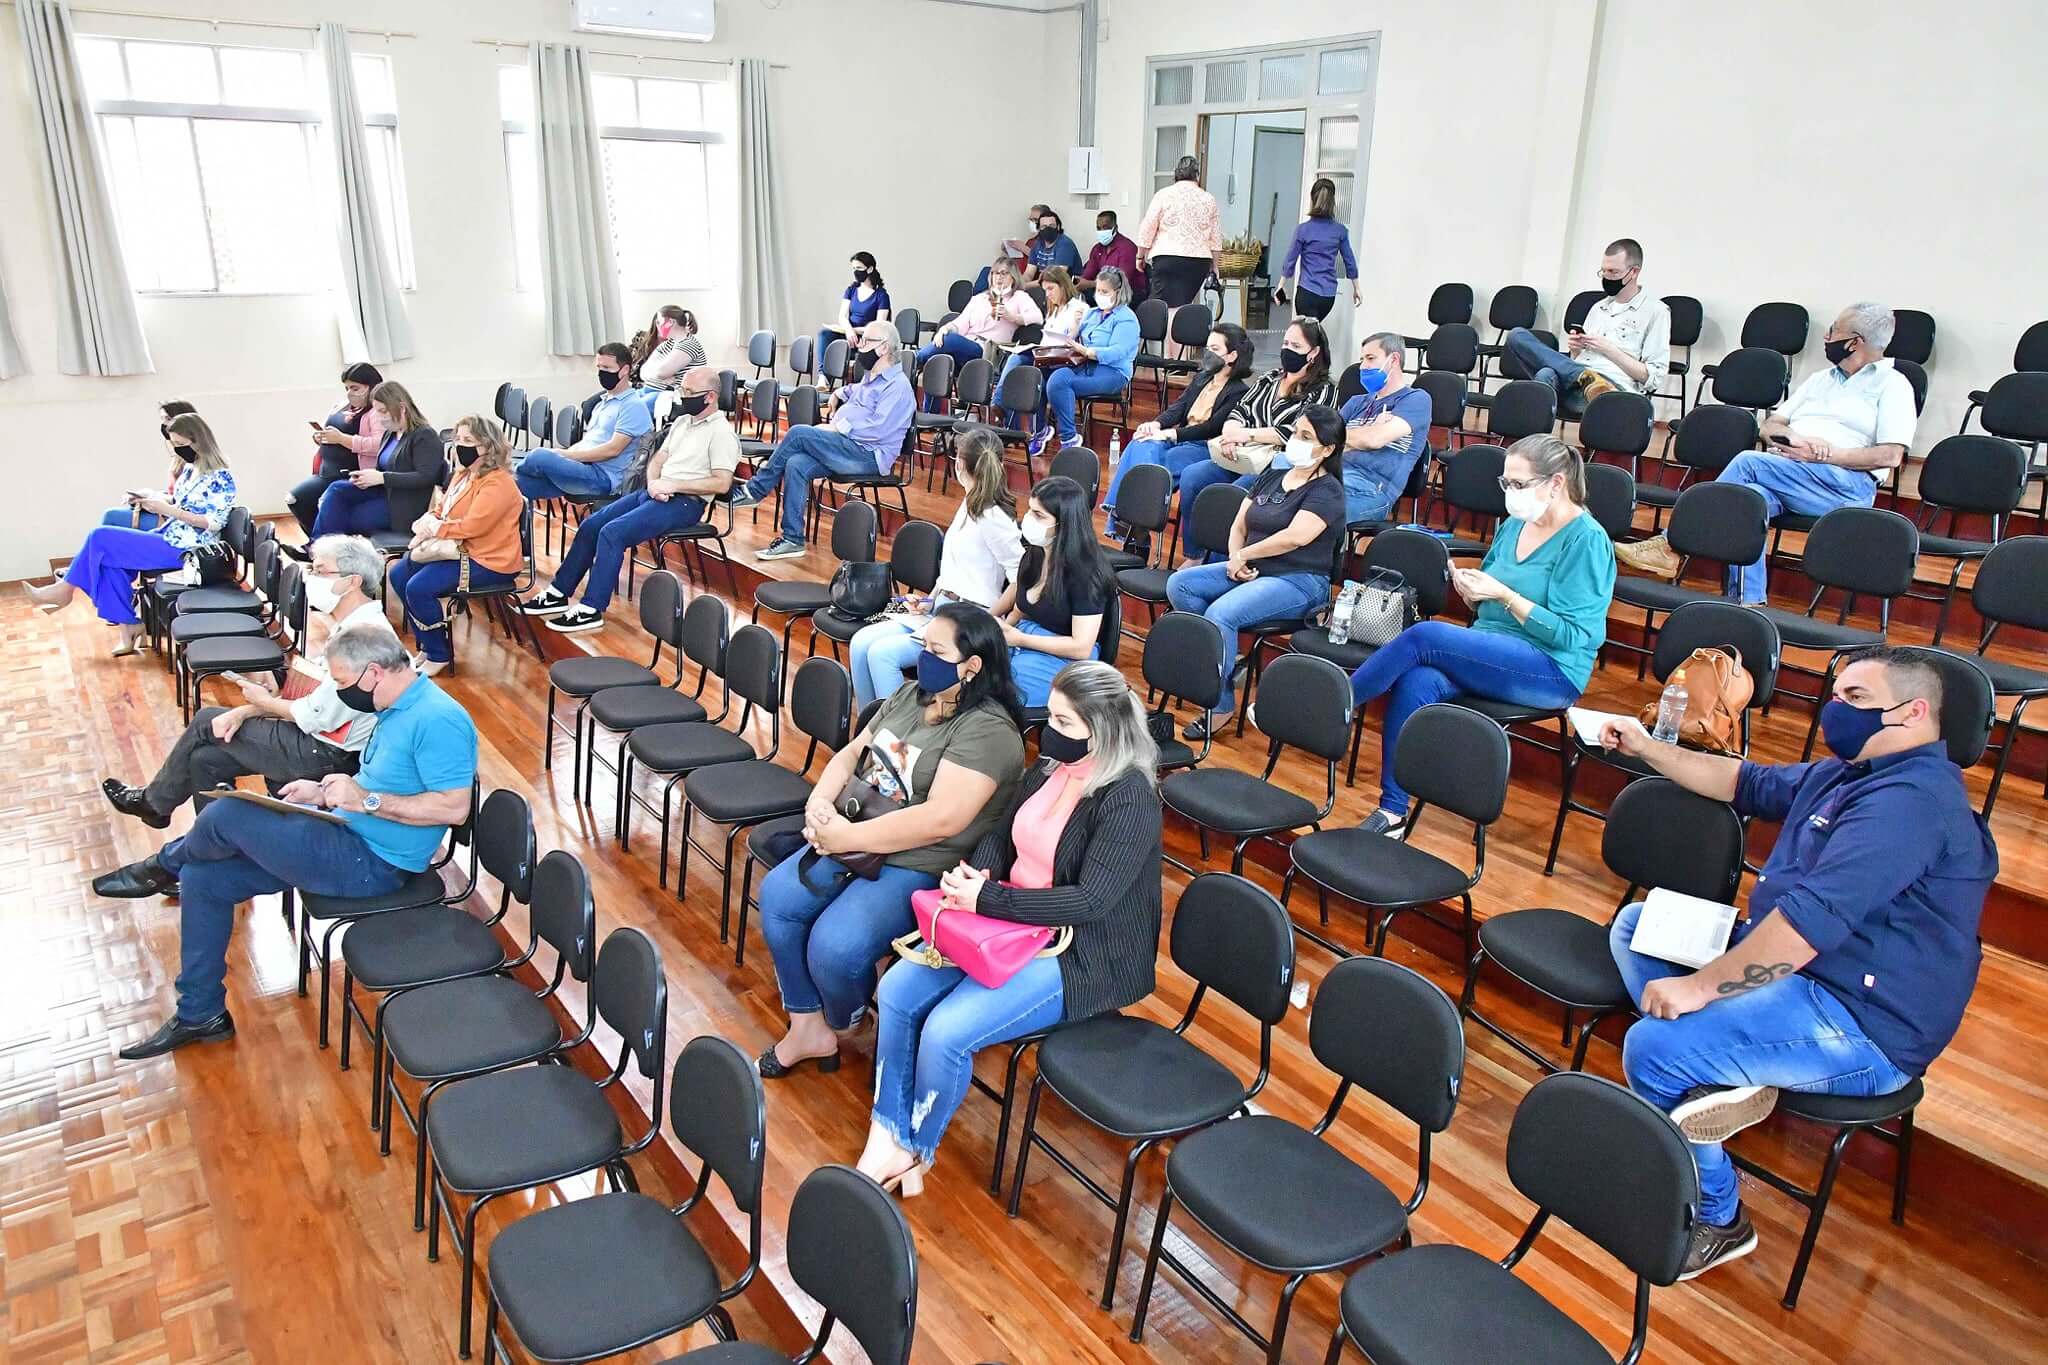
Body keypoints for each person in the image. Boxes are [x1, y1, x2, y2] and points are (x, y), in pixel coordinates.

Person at [1594, 646, 1996, 1280]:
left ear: (1914, 712)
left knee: (1654, 1050)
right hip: (1803, 971)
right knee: (1638, 925)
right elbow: (1743, 782)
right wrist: (1649, 748)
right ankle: (1718, 1078)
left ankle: (1719, 1218)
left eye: (1857, 698)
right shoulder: (1850, 772)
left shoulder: (1913, 804)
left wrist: (1700, 991)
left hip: (1864, 1021)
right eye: (1836, 695)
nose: (1837, 709)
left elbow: (1810, 923)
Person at [91, 625, 478, 1059]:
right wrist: (324, 791)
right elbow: (384, 781)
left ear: (374, 673)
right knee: (203, 878)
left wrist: (365, 800)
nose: (340, 692)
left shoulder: (438, 719)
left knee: (226, 814)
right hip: (343, 832)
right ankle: (200, 1013)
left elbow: (454, 808)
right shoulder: (392, 707)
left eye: (343, 682)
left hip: (375, 863)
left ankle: (160, 867)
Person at [859, 660, 1162, 1195]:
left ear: (1101, 732)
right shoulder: (1050, 766)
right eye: (1053, 716)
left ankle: (914, 1149)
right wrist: (978, 874)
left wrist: (988, 898)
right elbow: (1001, 835)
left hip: (1078, 953)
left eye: (1064, 722)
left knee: (947, 1033)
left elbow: (1090, 901)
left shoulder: (1129, 796)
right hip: (1004, 922)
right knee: (898, 991)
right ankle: (885, 1133)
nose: (1049, 730)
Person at [754, 604, 1027, 1078]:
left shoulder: (989, 731)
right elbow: (852, 754)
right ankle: (806, 1025)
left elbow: (940, 820)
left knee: (835, 948)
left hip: (921, 860)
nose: (923, 659)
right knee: (778, 897)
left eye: (936, 651)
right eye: (924, 646)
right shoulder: (909, 696)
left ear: (972, 666)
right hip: (859, 835)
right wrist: (819, 803)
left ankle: (845, 1020)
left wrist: (844, 836)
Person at [1345, 435, 1615, 834]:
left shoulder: (1586, 540)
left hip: (1551, 668)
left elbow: (1572, 635)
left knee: (1425, 636)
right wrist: (1473, 594)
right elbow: (1488, 604)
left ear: (1556, 483)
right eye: (1506, 483)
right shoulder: (1514, 526)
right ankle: (1393, 812)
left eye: (1518, 484)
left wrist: (1505, 596)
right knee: (1418, 680)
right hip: (1493, 650)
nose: (1510, 493)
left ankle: (1338, 702)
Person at [100, 534, 387, 828]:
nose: (310, 578)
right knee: (204, 760)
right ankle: (214, 839)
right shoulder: (351, 627)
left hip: (326, 751)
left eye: (320, 571)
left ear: (352, 581)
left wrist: (259, 705)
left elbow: (317, 716)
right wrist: (262, 701)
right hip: (316, 736)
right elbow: (317, 696)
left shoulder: (364, 638)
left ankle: (152, 803)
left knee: (206, 720)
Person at [1642, 303, 1911, 604]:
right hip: (1793, 473)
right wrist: (1793, 438)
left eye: (1834, 330)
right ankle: (1748, 603)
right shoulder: (1820, 379)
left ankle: (1670, 544)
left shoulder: (1894, 385)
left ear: (1854, 342)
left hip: (1845, 485)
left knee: (1748, 462)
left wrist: (1823, 456)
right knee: (1748, 502)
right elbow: (1770, 425)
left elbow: (1890, 456)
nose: (1826, 337)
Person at [1166, 404, 1348, 737]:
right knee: (1180, 585)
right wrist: (1235, 559)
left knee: (1221, 614)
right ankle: (1223, 658)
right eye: (1295, 432)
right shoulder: (1273, 476)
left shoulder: (1328, 490)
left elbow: (1295, 537)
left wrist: (1244, 555)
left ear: (1328, 449)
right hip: (1253, 568)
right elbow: (1240, 523)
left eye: (1306, 436)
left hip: (1299, 580)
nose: (1296, 440)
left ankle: (1219, 703)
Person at [519, 366, 739, 633]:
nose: (682, 396)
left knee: (612, 534)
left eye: (689, 392)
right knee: (591, 526)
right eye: (682, 389)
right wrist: (654, 482)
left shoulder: (722, 433)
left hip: (685, 503)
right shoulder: (683, 422)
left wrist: (672, 484)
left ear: (710, 396)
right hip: (655, 492)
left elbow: (721, 482)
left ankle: (591, 609)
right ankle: (558, 592)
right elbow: (658, 458)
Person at [29, 412, 239, 656]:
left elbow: (214, 522)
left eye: (181, 444)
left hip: (189, 549)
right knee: (109, 564)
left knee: (100, 537)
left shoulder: (221, 476)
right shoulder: (191, 469)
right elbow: (182, 502)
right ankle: (129, 626)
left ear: (199, 440)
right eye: (174, 444)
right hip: (170, 535)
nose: (177, 450)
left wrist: (169, 510)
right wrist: (151, 500)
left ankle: (65, 590)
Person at [847, 429, 1022, 709]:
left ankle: (896, 729)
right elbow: (954, 570)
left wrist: (993, 620)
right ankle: (870, 726)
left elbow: (1019, 578)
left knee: (882, 655)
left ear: (959, 464)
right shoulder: (969, 502)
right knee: (860, 643)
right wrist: (928, 600)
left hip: (969, 616)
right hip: (942, 607)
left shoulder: (993, 515)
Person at [731, 320, 915, 561]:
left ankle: (754, 490)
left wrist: (837, 427)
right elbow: (857, 391)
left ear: (883, 347)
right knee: (796, 463)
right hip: (848, 448)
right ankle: (793, 539)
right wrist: (839, 392)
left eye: (865, 341)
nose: (859, 346)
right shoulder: (873, 377)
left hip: (867, 456)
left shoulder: (898, 387)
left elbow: (877, 429)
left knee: (798, 433)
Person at [1174, 317, 1337, 554]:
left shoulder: (1324, 391)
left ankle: (1225, 558)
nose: (1287, 350)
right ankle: (1195, 553)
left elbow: (1294, 432)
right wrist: (1231, 433)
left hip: (1279, 466)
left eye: (1296, 346)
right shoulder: (1270, 378)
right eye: (1285, 343)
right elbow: (1240, 410)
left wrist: (1247, 435)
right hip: (1240, 455)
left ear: (1314, 353)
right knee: (1192, 477)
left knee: (1234, 493)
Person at [385, 416, 524, 675]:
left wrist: (435, 528)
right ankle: (427, 644)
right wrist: (430, 519)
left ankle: (440, 654)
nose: (460, 445)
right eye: (458, 439)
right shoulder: (463, 474)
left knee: (419, 588)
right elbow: (443, 508)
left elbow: (473, 527)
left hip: (489, 560)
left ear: (488, 446)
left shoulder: (498, 483)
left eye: (468, 440)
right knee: (399, 574)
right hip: (460, 549)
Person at [1103, 322, 1254, 528]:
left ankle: (1130, 522)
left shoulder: (1238, 391)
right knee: (1140, 442)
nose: (1208, 353)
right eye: (1207, 348)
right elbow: (1179, 407)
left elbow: (1212, 427)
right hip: (1181, 439)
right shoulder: (1202, 378)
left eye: (1215, 349)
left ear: (1232, 356)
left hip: (1203, 446)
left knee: (1158, 462)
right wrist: (1156, 424)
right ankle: (1127, 518)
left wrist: (1171, 434)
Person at [1503, 238, 1670, 414]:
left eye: (1613, 272)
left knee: (1544, 377)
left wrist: (1609, 349)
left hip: (1612, 389)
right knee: (1516, 336)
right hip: (1575, 380)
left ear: (1634, 272)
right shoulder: (1598, 308)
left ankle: (1532, 428)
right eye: (1603, 271)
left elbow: (1652, 378)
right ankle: (1583, 377)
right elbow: (1578, 358)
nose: (1606, 277)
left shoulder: (1656, 311)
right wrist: (1576, 350)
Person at [995, 475, 1113, 707]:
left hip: (1065, 658)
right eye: (1030, 511)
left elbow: (1081, 647)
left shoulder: (1087, 572)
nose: (1028, 519)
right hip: (1026, 640)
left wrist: (1021, 639)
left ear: (1064, 524)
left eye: (1039, 515)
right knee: (970, 671)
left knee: (1002, 694)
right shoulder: (1034, 554)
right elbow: (1021, 608)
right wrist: (1002, 631)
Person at [306, 379, 445, 544]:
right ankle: (317, 546)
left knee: (346, 516)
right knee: (336, 489)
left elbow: (426, 477)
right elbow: (383, 468)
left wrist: (382, 477)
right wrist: (366, 477)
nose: (379, 417)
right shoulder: (390, 433)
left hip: (403, 504)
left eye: (383, 411)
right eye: (377, 411)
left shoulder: (424, 435)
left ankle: (321, 549)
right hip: (384, 492)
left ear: (402, 408)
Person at [511, 345, 653, 504]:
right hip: (583, 467)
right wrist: (567, 456)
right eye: (599, 367)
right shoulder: (602, 403)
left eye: (607, 368)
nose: (601, 373)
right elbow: (589, 441)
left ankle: (508, 472)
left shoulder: (632, 406)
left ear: (625, 370)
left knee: (538, 456)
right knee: (517, 485)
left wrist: (564, 455)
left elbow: (613, 450)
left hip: (603, 477)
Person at [1027, 266, 1139, 458]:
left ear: (1118, 292)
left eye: (1105, 291)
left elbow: (1118, 351)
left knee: (1061, 383)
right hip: (1085, 365)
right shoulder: (1092, 314)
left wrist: (1089, 351)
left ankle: (1068, 438)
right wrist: (1074, 328)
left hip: (1113, 372)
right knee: (1045, 376)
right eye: (1098, 290)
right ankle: (1043, 432)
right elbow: (1074, 338)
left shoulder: (1126, 318)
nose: (1099, 295)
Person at [1338, 331, 1434, 525]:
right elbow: (1323, 440)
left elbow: (1373, 440)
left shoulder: (1416, 399)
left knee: (1312, 512)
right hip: (1333, 478)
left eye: (1370, 358)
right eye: (1362, 359)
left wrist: (1349, 440)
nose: (1362, 366)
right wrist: (1370, 429)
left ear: (1394, 359)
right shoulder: (1356, 401)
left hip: (1371, 490)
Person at [289, 363, 386, 536]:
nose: (350, 393)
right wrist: (322, 437)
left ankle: (321, 543)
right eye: (347, 388)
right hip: (326, 470)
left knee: (307, 499)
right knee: (294, 499)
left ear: (371, 387)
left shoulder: (376, 412)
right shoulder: (342, 406)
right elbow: (331, 430)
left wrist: (342, 439)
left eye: (355, 388)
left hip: (348, 473)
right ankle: (318, 541)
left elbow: (379, 444)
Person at [917, 256, 1042, 381]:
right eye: (995, 273)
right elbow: (959, 324)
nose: (999, 277)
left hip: (987, 350)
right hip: (967, 343)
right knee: (940, 355)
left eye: (1004, 273)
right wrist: (944, 329)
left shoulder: (1019, 297)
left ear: (1013, 277)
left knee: (949, 340)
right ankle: (917, 364)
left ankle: (916, 359)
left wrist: (1012, 317)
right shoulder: (979, 298)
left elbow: (1038, 318)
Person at [1134, 155, 1222, 309]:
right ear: (1197, 176)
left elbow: (1147, 227)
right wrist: (1215, 267)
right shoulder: (1209, 199)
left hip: (1167, 257)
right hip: (1198, 260)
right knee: (1183, 304)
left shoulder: (1163, 195)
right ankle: (1179, 325)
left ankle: (1165, 325)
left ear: (1175, 174)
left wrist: (1140, 256)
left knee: (1159, 305)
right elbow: (1215, 238)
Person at [996, 266, 1088, 404]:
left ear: (1063, 286)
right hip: (1046, 356)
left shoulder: (1080, 308)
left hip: (1064, 359)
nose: (1048, 294)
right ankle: (998, 402)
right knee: (1015, 358)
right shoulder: (1053, 309)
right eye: (1045, 290)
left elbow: (1077, 340)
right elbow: (1046, 338)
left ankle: (1004, 405)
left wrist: (1076, 323)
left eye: (1051, 289)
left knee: (1033, 377)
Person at [1273, 178, 1360, 324]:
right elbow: (1349, 262)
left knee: (1305, 334)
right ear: (1333, 202)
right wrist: (1356, 288)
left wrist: (1281, 285)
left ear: (1312, 199)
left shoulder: (1303, 230)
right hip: (1328, 297)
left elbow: (1290, 261)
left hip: (1306, 293)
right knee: (1314, 330)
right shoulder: (1340, 231)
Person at [103, 400, 200, 530]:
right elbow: (175, 494)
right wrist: (147, 495)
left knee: (111, 516)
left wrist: (153, 497)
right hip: (169, 513)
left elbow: (189, 503)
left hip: (178, 522)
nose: (164, 425)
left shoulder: (193, 458)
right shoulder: (178, 457)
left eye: (168, 419)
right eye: (162, 419)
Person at [816, 251, 893, 376]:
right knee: (824, 334)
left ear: (870, 269)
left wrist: (854, 331)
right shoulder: (851, 290)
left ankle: (829, 379)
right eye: (854, 268)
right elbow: (842, 316)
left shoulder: (882, 296)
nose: (856, 272)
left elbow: (879, 327)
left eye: (859, 268)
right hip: (849, 335)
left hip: (866, 339)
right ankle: (822, 377)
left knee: (841, 350)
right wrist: (849, 330)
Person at [633, 305, 707, 390]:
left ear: (670, 322)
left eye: (659, 322)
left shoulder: (689, 344)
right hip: (651, 390)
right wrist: (660, 377)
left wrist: (657, 373)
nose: (657, 326)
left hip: (672, 395)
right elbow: (643, 373)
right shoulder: (667, 344)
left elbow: (661, 372)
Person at [1078, 209, 1147, 301]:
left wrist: (1091, 284)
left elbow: (1121, 281)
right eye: (1098, 228)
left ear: (1115, 228)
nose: (1102, 231)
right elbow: (1087, 275)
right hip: (1105, 291)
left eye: (1105, 228)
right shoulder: (1097, 249)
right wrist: (1079, 283)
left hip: (1129, 292)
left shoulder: (1127, 248)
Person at [1021, 208, 1084, 283]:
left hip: (1065, 286)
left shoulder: (1065, 244)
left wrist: (1026, 286)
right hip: (1045, 284)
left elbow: (1055, 278)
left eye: (1051, 225)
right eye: (1044, 226)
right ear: (1039, 229)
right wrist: (1021, 284)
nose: (1048, 229)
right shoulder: (1037, 243)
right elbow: (1029, 274)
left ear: (1058, 227)